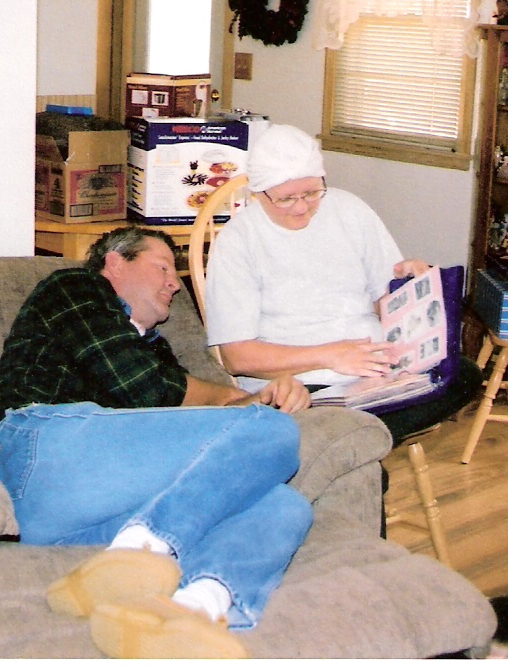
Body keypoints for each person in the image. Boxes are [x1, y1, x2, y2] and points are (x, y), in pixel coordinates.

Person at [0, 226, 313, 659]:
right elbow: (142, 389)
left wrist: (260, 398)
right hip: (37, 454)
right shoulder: (75, 288)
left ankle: (191, 609)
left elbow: (193, 421)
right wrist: (245, 409)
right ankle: (139, 550)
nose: (175, 284)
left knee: (283, 505)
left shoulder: (156, 350)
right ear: (115, 263)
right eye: (162, 268)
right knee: (274, 431)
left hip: (68, 524)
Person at [204, 124, 483, 527]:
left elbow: (386, 304)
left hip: (375, 371)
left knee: (464, 374)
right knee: (356, 458)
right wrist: (331, 355)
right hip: (301, 387)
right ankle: (347, 442)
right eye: (286, 199)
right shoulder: (238, 242)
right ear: (259, 193)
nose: (301, 207)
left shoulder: (350, 211)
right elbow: (237, 357)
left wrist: (413, 288)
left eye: (312, 193)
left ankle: (344, 442)